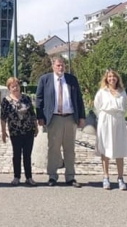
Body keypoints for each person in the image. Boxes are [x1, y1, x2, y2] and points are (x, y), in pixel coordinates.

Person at [35, 56, 85, 187]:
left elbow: (79, 99)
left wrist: (82, 117)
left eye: (62, 65)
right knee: (53, 149)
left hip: (70, 118)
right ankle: (52, 176)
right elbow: (39, 99)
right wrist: (40, 117)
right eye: (58, 65)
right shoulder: (45, 80)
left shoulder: (71, 80)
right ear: (53, 66)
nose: (61, 67)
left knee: (70, 149)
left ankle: (70, 177)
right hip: (54, 118)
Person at [93, 69, 127, 191]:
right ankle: (106, 177)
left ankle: (120, 178)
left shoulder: (122, 92)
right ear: (106, 78)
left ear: (117, 78)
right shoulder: (102, 92)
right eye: (109, 76)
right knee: (105, 148)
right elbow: (97, 106)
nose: (112, 78)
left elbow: (125, 107)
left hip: (119, 121)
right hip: (106, 120)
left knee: (119, 149)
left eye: (114, 76)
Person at [1, 77, 38, 186]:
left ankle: (29, 177)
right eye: (13, 86)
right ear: (9, 88)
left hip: (28, 130)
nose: (15, 88)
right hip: (15, 132)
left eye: (17, 85)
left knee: (27, 155)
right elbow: (3, 117)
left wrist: (36, 127)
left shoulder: (26, 98)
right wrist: (3, 132)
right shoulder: (6, 100)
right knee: (16, 154)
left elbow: (32, 113)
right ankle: (16, 177)